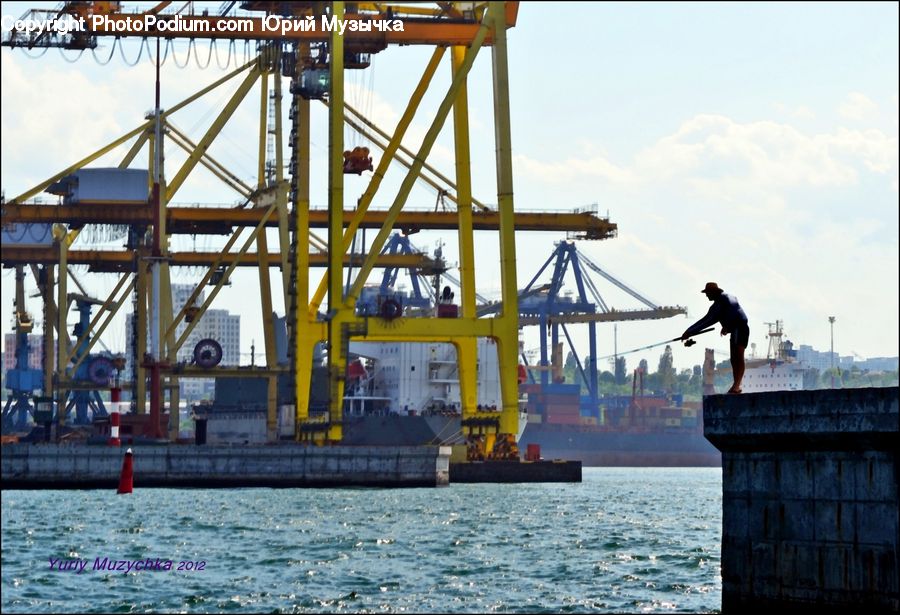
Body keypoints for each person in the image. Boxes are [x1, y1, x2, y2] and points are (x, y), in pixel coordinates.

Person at [682, 282, 749, 394]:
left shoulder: (719, 303)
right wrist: (726, 326)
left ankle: (737, 386)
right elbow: (731, 311)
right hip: (736, 328)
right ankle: (736, 385)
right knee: (734, 359)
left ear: (714, 292)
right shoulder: (727, 298)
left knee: (738, 357)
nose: (706, 295)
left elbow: (706, 321)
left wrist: (689, 332)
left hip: (740, 328)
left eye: (707, 293)